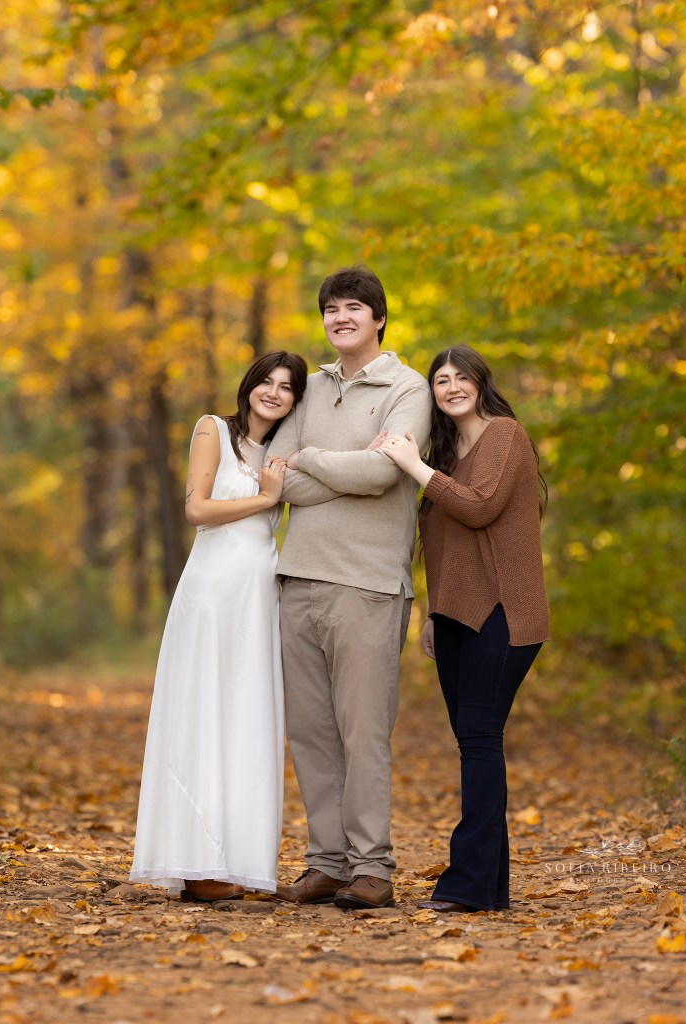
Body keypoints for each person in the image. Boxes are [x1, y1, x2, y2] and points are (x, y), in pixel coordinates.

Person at [267, 266, 431, 910]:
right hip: (298, 578)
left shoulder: (408, 387)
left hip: (367, 583)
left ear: (379, 317)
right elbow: (277, 477)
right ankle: (327, 863)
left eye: (354, 308)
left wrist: (310, 462)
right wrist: (325, 467)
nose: (341, 318)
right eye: (331, 309)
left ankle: (372, 867)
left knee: (363, 731)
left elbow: (384, 475)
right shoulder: (307, 388)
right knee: (309, 731)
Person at [130, 350, 308, 902]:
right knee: (204, 710)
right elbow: (196, 509)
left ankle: (232, 860)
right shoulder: (214, 430)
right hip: (212, 591)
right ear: (249, 385)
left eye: (286, 387)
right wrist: (265, 497)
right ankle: (195, 859)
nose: (273, 392)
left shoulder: (279, 452)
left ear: (295, 400)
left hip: (256, 594)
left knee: (245, 716)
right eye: (266, 382)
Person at [380, 345, 550, 913]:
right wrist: (432, 612)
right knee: (475, 745)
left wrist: (413, 466)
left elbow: (479, 509)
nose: (450, 387)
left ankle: (467, 886)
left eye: (460, 377)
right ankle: (489, 888)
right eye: (440, 380)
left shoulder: (505, 435)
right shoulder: (447, 455)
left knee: (479, 742)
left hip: (506, 611)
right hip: (454, 617)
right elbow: (443, 543)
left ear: (480, 383)